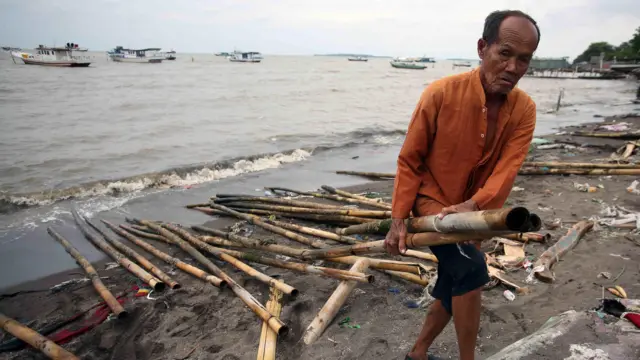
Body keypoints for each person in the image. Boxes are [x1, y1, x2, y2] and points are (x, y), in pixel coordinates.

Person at [385, 10, 541, 360]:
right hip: (431, 205)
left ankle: (418, 353)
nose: (513, 68)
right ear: (483, 48)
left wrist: (476, 210)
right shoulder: (440, 94)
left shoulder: (524, 109)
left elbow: (507, 168)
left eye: (524, 60)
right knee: (471, 269)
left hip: (476, 211)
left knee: (454, 278)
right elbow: (410, 159)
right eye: (505, 54)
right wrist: (398, 219)